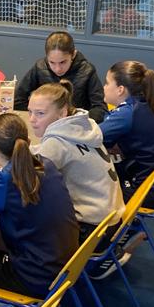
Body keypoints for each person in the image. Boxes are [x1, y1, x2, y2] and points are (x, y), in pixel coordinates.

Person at [0, 112, 79, 298]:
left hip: (36, 276)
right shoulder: (45, 164)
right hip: (66, 263)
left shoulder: (6, 180)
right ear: (27, 142)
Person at [27, 81, 124, 246]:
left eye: (40, 113)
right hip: (114, 218)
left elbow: (27, 174)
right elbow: (48, 154)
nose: (32, 120)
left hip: (92, 231)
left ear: (62, 113)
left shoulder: (57, 143)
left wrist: (7, 162)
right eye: (30, 112)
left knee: (24, 215)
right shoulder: (84, 126)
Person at [101, 60, 154, 211]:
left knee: (89, 190)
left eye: (107, 83)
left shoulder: (127, 113)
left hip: (150, 193)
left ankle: (116, 232)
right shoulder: (144, 104)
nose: (104, 87)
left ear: (120, 90)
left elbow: (92, 138)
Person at [14, 31, 107, 122]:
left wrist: (77, 120)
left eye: (63, 62)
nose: (57, 69)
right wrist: (39, 115)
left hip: (75, 127)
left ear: (73, 54)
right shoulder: (40, 67)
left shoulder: (87, 70)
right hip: (46, 125)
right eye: (52, 62)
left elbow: (100, 108)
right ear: (47, 57)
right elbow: (18, 100)